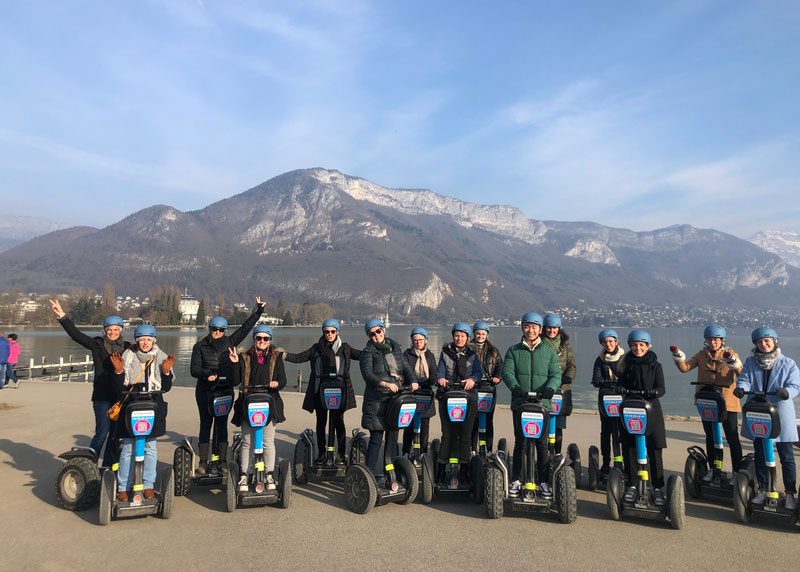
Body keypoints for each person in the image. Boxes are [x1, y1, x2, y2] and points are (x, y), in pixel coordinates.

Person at [190, 297, 266, 476]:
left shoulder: (231, 343)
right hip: (205, 391)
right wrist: (206, 374)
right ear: (210, 330)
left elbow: (246, 328)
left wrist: (259, 311)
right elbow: (194, 369)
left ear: (225, 331)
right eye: (214, 329)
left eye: (221, 330)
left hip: (224, 390)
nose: (217, 332)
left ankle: (222, 460)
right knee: (206, 424)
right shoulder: (199, 346)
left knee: (222, 424)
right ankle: (203, 461)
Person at [50, 299, 130, 468]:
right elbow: (76, 335)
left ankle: (110, 466)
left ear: (121, 331)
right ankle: (89, 465)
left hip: (121, 397)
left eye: (116, 329)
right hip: (101, 397)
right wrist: (62, 316)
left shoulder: (129, 347)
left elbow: (147, 349)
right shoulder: (97, 344)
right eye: (110, 330)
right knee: (102, 432)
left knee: (116, 435)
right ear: (105, 331)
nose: (113, 332)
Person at [734, 327, 800, 509]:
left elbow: (795, 384)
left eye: (767, 340)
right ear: (755, 344)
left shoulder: (788, 363)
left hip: (780, 413)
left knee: (786, 456)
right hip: (758, 414)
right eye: (760, 342)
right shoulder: (750, 361)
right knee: (761, 454)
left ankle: (789, 493)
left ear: (774, 341)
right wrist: (741, 388)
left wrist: (787, 392)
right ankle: (763, 489)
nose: (764, 344)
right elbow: (745, 378)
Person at [110, 324, 175, 502]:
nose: (145, 343)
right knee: (128, 448)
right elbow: (118, 388)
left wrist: (167, 372)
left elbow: (166, 388)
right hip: (132, 404)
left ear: (153, 340)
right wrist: (117, 371)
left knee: (150, 447)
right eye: (142, 339)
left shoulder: (160, 356)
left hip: (153, 404)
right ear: (137, 341)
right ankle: (123, 486)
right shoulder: (128, 355)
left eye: (148, 339)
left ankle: (148, 485)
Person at [670, 325, 744, 479]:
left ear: (722, 340)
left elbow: (741, 372)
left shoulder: (730, 354)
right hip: (707, 402)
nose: (713, 342)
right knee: (710, 436)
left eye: (716, 339)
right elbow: (685, 368)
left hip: (727, 402)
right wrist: (678, 356)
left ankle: (737, 471)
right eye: (710, 339)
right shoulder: (701, 355)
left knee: (732, 436)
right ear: (706, 340)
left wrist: (733, 361)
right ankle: (714, 469)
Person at [285, 319, 360, 465]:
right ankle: (321, 453)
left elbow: (363, 355)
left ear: (337, 332)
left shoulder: (345, 348)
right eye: (326, 332)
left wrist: (378, 351)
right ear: (323, 333)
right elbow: (299, 357)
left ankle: (340, 454)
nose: (329, 334)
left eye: (332, 331)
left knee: (339, 422)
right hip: (320, 391)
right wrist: (280, 353)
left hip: (340, 391)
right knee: (321, 422)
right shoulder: (316, 348)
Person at [502, 312, 561, 497]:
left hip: (542, 404)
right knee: (520, 442)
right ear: (522, 328)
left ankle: (543, 481)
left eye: (534, 327)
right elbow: (507, 372)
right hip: (521, 403)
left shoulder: (549, 351)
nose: (531, 330)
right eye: (527, 326)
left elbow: (555, 375)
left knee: (541, 444)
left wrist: (551, 389)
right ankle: (517, 480)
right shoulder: (514, 350)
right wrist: (515, 387)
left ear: (540, 330)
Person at [229, 325, 287, 492]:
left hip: (270, 403)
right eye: (258, 338)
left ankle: (268, 473)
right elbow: (234, 381)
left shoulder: (276, 356)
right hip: (248, 402)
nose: (262, 341)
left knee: (268, 442)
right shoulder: (244, 356)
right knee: (247, 442)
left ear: (270, 340)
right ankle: (244, 475)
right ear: (254, 339)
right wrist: (234, 363)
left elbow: (282, 380)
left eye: (265, 339)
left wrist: (277, 383)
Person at [359, 318, 417, 478]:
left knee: (392, 439)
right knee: (376, 439)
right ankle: (369, 475)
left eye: (378, 331)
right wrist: (384, 383)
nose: (376, 336)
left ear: (383, 330)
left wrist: (413, 380)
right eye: (371, 334)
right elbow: (367, 374)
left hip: (395, 400)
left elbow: (405, 367)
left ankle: (390, 473)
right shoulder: (367, 352)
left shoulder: (395, 347)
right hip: (376, 401)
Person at [617, 330, 667, 506]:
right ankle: (632, 484)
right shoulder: (625, 364)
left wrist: (655, 392)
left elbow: (661, 388)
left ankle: (658, 487)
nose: (638, 348)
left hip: (651, 409)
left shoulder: (655, 365)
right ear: (630, 346)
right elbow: (620, 383)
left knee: (654, 448)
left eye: (641, 345)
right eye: (634, 345)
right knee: (630, 447)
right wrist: (620, 389)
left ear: (648, 346)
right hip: (631, 408)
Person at [435, 323, 482, 480]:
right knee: (447, 435)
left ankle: (464, 468)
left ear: (468, 338)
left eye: (462, 336)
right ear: (453, 337)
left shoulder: (473, 354)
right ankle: (441, 468)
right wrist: (440, 379)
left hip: (468, 398)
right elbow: (440, 371)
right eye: (456, 335)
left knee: (465, 435)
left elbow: (477, 373)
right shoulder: (445, 353)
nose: (459, 338)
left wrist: (473, 380)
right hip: (448, 396)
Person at [591, 329, 625, 474]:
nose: (608, 344)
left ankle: (620, 461)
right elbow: (596, 379)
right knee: (606, 431)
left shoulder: (625, 358)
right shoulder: (600, 360)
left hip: (622, 398)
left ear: (616, 342)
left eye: (611, 341)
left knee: (621, 431)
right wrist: (609, 382)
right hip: (606, 399)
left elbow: (628, 377)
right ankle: (606, 462)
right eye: (605, 342)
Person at [541, 313, 576, 454]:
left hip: (562, 389)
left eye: (554, 328)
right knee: (543, 423)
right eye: (549, 328)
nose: (551, 331)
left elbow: (572, 365)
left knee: (558, 425)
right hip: (544, 388)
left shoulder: (565, 345)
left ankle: (557, 453)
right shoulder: (539, 343)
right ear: (544, 328)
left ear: (559, 329)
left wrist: (567, 378)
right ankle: (544, 455)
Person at [402, 327, 437, 455]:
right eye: (415, 340)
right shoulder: (407, 354)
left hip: (426, 392)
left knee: (425, 423)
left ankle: (423, 451)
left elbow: (434, 372)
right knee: (409, 424)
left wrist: (435, 381)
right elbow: (404, 371)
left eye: (420, 339)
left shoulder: (430, 355)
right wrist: (410, 382)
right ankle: (405, 451)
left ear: (425, 340)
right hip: (411, 391)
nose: (418, 342)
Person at [469, 321, 502, 452]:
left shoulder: (493, 350)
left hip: (489, 388)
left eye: (483, 334)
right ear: (474, 334)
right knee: (473, 420)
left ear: (487, 335)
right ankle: (472, 449)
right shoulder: (468, 348)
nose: (480, 336)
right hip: (473, 387)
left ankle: (488, 450)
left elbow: (500, 365)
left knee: (488, 420)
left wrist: (498, 377)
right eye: (478, 333)